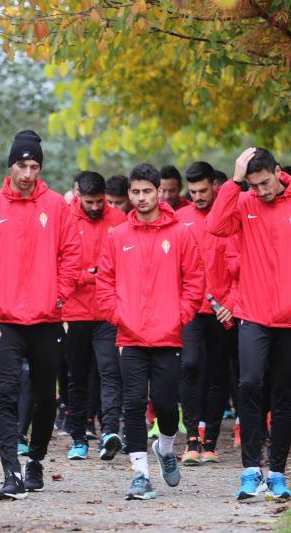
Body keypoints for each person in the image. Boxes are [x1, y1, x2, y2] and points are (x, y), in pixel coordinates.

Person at [206, 147, 291, 502]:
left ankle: (278, 472)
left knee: (285, 395)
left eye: (265, 183)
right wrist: (235, 182)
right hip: (253, 314)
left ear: (278, 172)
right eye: (253, 185)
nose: (261, 191)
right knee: (249, 384)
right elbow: (215, 226)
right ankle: (251, 470)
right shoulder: (245, 202)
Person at [0, 130, 81, 501]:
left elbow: (72, 256)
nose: (28, 173)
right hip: (5, 319)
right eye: (21, 165)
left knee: (47, 398)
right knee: (6, 395)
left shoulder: (57, 208)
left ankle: (36, 461)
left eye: (34, 166)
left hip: (47, 320)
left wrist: (58, 297)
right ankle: (10, 472)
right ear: (10, 166)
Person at [97, 163, 204, 501]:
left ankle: (166, 447)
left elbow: (195, 280)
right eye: (135, 192)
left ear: (159, 192)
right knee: (132, 405)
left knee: (167, 406)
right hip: (129, 337)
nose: (141, 198)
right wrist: (118, 316)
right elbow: (105, 284)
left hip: (168, 335)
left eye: (147, 191)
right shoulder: (117, 237)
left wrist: (181, 315)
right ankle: (140, 475)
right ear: (129, 194)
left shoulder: (180, 233)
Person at [176, 161, 239, 466]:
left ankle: (210, 441)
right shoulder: (180, 219)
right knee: (189, 366)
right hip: (190, 308)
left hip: (222, 311)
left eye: (203, 190)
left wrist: (232, 304)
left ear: (215, 186)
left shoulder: (229, 218)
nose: (198, 196)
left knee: (217, 374)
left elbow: (241, 265)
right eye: (193, 191)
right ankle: (190, 438)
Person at [62, 171, 128, 461]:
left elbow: (127, 264)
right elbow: (58, 266)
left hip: (107, 312)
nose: (94, 207)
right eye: (89, 202)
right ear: (78, 196)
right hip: (75, 313)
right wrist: (88, 276)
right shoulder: (65, 220)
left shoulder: (119, 220)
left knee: (110, 372)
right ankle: (78, 437)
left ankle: (110, 432)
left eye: (99, 201)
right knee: (76, 377)